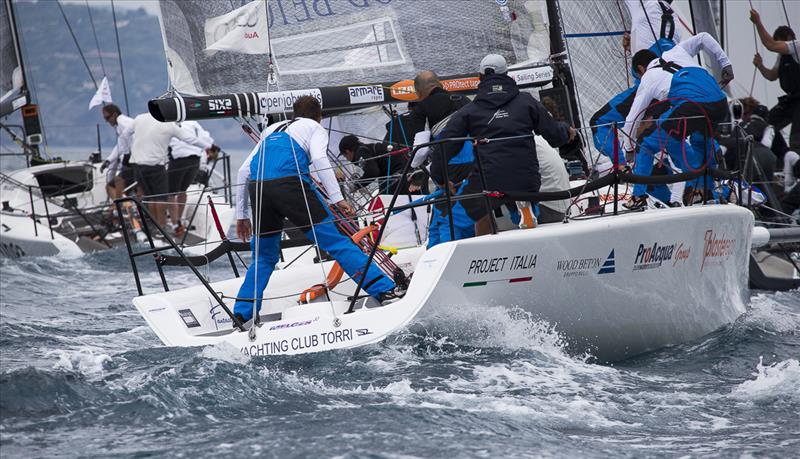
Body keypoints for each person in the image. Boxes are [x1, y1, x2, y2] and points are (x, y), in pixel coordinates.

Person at [232, 96, 402, 324]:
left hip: (259, 189)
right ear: (319, 116)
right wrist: (337, 198)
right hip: (291, 184)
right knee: (336, 242)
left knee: (263, 257)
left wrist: (241, 216)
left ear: (294, 113)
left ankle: (242, 313)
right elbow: (321, 159)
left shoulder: (271, 129)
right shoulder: (314, 127)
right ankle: (384, 290)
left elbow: (244, 172)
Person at [433, 54, 575, 238]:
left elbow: (443, 147)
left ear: (480, 78)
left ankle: (469, 261)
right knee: (518, 200)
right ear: (507, 75)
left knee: (450, 219)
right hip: (526, 177)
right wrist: (566, 131)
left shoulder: (469, 111)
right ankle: (522, 212)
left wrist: (442, 180)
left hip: (488, 180)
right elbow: (555, 136)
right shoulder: (526, 102)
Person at [621, 32, 734, 206]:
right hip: (720, 103)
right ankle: (710, 192)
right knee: (697, 141)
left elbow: (632, 118)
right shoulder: (677, 51)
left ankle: (638, 197)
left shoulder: (648, 78)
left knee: (647, 143)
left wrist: (628, 150)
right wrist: (725, 63)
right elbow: (703, 37)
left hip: (692, 105)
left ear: (641, 70)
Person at [117, 113, 215, 227]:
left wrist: (125, 152)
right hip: (156, 165)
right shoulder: (168, 124)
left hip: (137, 164)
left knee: (149, 197)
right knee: (161, 198)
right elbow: (190, 139)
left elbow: (124, 135)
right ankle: (162, 228)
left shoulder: (139, 118)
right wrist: (210, 146)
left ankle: (155, 227)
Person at [750, 9, 800, 152]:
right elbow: (772, 76)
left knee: (796, 139)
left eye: (780, 44)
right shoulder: (782, 56)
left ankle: (796, 166)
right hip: (791, 100)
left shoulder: (797, 46)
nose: (779, 48)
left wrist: (757, 22)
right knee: (767, 125)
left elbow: (770, 45)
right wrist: (760, 66)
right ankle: (781, 155)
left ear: (788, 38)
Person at [167, 121, 215, 233]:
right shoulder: (194, 123)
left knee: (171, 194)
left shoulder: (169, 123)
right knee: (182, 191)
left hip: (178, 159)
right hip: (195, 160)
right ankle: (180, 220)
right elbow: (208, 139)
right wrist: (210, 155)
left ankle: (175, 224)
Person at [338, 135, 408, 193]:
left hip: (398, 175)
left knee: (384, 200)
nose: (347, 159)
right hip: (404, 171)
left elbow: (372, 172)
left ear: (348, 151)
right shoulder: (367, 148)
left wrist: (356, 185)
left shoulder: (360, 152)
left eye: (345, 156)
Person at [99, 104, 134, 200]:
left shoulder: (123, 123)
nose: (107, 121)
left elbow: (135, 137)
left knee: (113, 185)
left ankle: (120, 208)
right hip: (130, 158)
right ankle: (122, 206)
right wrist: (108, 161)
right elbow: (120, 145)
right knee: (128, 187)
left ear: (114, 115)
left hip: (133, 158)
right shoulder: (120, 125)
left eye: (107, 118)